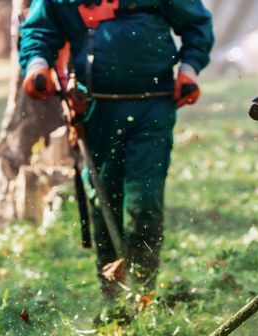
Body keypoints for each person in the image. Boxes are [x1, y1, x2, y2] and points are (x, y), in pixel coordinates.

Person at [19, 0, 214, 296]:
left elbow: (196, 24)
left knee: (144, 202)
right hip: (95, 107)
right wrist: (36, 66)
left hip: (154, 105)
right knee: (103, 198)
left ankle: (143, 290)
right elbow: (39, 31)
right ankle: (113, 294)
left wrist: (189, 70)